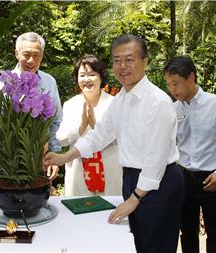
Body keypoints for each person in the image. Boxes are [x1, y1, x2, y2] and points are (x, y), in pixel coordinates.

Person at [44, 34, 184, 253]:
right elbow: (99, 135)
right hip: (131, 179)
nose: (122, 66)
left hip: (157, 184)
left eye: (129, 59)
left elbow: (155, 159)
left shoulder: (157, 102)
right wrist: (64, 157)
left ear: (145, 61)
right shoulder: (122, 99)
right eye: (117, 60)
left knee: (154, 246)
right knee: (134, 244)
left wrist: (134, 198)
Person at [164, 55, 216, 253]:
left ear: (191, 77)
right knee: (187, 233)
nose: (173, 90)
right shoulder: (174, 108)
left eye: (176, 84)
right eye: (169, 85)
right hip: (184, 178)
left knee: (215, 234)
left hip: (213, 179)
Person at [0, 32, 62, 180]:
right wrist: (2, 160)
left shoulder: (49, 82)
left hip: (40, 162)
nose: (31, 60)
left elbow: (56, 121)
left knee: (38, 201)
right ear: (16, 53)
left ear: (42, 56)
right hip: (9, 165)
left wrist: (54, 155)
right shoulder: (3, 83)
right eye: (26, 54)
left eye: (36, 55)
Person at [56, 54, 122, 196]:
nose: (86, 80)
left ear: (101, 77)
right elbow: (61, 139)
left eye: (92, 74)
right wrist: (81, 127)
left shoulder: (114, 103)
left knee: (109, 214)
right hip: (78, 172)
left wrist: (94, 125)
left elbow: (122, 137)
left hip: (109, 170)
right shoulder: (70, 105)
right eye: (82, 75)